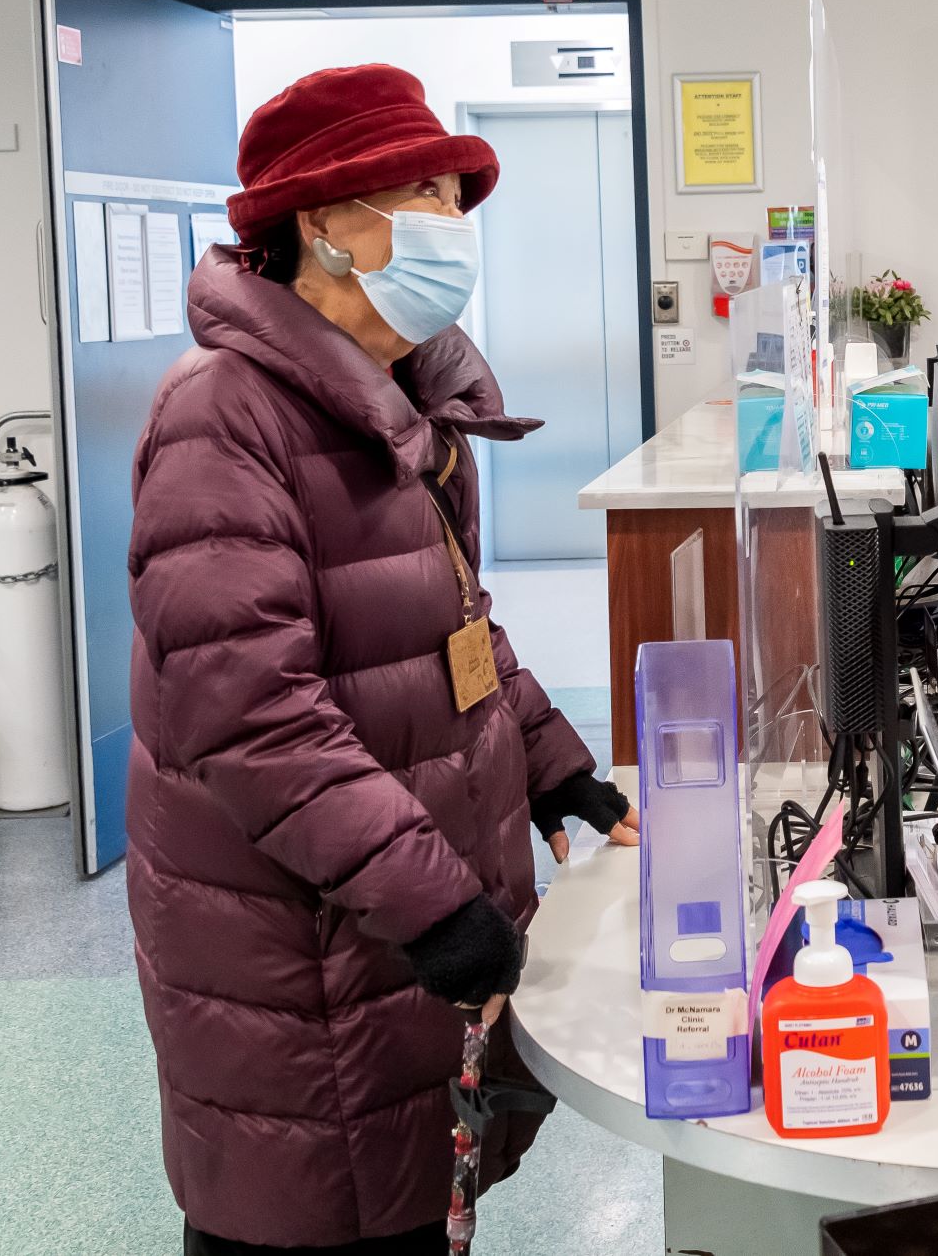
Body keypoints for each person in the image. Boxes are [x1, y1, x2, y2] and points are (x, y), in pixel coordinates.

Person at [124, 64, 641, 1256]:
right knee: (316, 1204)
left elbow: (451, 622)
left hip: (379, 916)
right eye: (419, 193)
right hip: (297, 944)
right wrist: (438, 900)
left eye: (457, 197)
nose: (453, 229)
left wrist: (555, 765)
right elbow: (250, 713)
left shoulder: (393, 393)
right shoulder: (226, 411)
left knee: (398, 1205)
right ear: (320, 223)